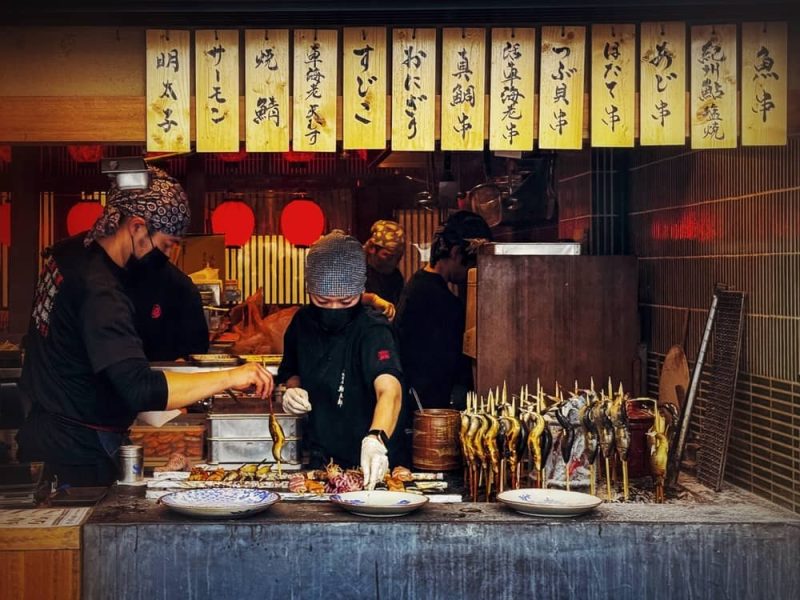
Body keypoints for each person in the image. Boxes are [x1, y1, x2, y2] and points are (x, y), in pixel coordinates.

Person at [16, 166, 273, 486]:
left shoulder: (70, 252)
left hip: (45, 428)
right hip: (78, 449)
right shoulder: (101, 290)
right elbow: (139, 388)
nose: (169, 257)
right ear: (137, 226)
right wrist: (232, 375)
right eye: (166, 245)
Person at [277, 231, 406, 489]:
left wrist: (376, 439)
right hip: (320, 459)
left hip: (370, 460)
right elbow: (291, 370)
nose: (334, 309)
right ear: (309, 289)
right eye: (323, 300)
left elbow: (390, 390)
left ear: (361, 292)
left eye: (345, 300)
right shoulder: (302, 322)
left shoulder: (372, 329)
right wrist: (292, 390)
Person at [394, 210, 493, 410]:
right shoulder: (439, 300)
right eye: (473, 263)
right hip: (428, 410)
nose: (474, 271)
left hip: (416, 402)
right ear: (456, 253)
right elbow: (445, 367)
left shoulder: (419, 283)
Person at [126, 255, 209, 361]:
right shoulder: (112, 279)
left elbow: (196, 348)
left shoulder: (180, 286)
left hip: (164, 370)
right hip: (127, 366)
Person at [363, 219, 406, 309]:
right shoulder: (353, 268)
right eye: (388, 256)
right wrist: (372, 299)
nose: (393, 262)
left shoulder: (396, 276)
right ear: (372, 248)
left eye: (398, 258)